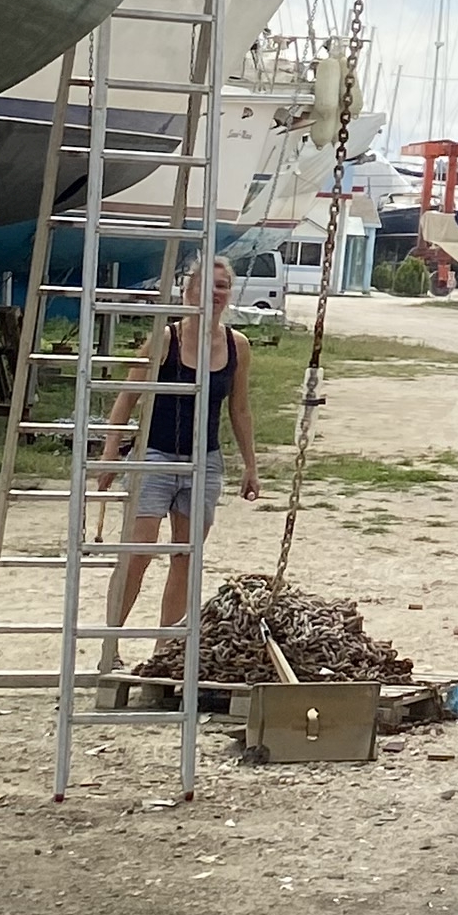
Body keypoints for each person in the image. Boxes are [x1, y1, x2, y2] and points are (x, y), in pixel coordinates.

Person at [97, 260, 259, 649]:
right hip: (154, 455)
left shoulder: (237, 346)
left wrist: (251, 466)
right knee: (138, 551)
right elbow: (126, 399)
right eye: (208, 285)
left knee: (185, 557)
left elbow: (239, 409)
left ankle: (165, 649)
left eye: (223, 286)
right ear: (189, 292)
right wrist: (110, 453)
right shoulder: (165, 339)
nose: (216, 293)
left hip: (204, 462)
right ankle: (110, 643)